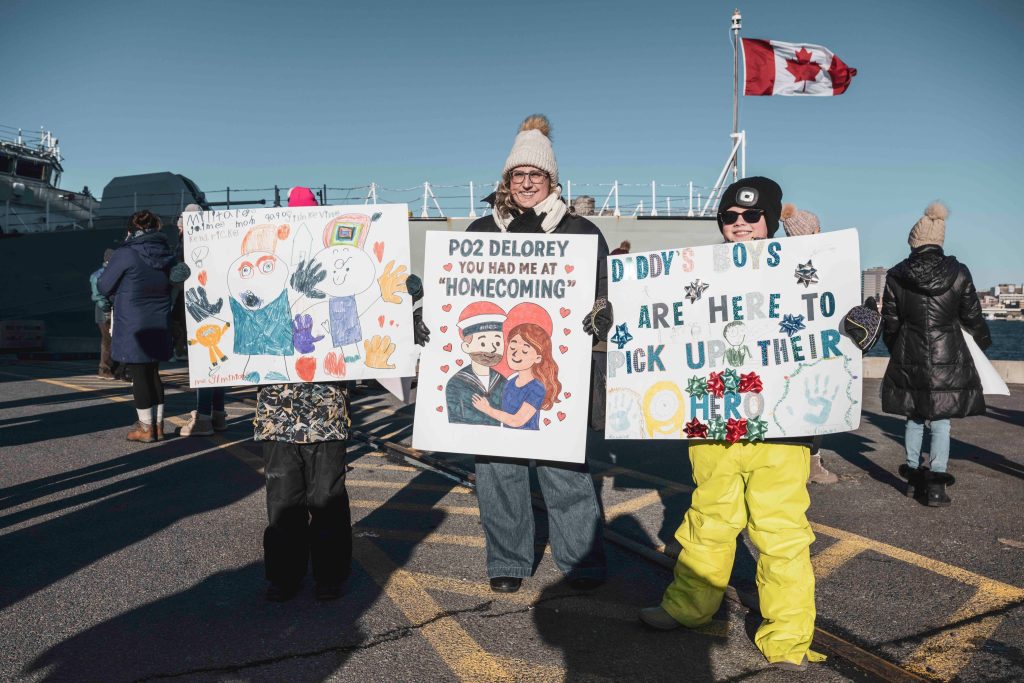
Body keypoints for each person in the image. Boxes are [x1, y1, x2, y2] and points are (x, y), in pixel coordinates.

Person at [639, 177, 819, 671]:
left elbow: (832, 323)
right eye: (729, 216)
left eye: (752, 216)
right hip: (714, 420)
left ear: (771, 221)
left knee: (781, 533)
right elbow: (658, 325)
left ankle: (788, 635)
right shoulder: (695, 274)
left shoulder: (806, 270)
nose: (740, 224)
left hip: (781, 426)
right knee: (708, 520)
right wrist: (618, 320)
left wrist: (858, 324)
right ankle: (688, 607)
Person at [460, 114, 611, 594]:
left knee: (564, 469)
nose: (526, 183)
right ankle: (507, 559)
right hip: (495, 369)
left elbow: (605, 288)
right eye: (518, 175)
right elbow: (456, 293)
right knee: (497, 470)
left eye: (536, 175)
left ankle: (580, 559)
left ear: (552, 180)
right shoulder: (480, 231)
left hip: (556, 366)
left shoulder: (581, 231)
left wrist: (603, 309)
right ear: (507, 180)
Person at [256, 187, 352, 602]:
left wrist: (404, 298)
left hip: (318, 410)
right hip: (284, 412)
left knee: (323, 498)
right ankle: (288, 575)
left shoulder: (341, 281)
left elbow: (363, 332)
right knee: (286, 499)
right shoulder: (265, 281)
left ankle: (322, 575)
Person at [882, 202, 991, 507]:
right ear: (940, 240)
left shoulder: (896, 275)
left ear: (913, 241)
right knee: (941, 420)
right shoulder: (959, 273)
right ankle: (937, 486)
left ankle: (913, 478)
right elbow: (972, 316)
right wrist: (982, 344)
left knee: (914, 417)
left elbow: (891, 322)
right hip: (948, 353)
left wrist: (897, 349)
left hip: (910, 351)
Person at [98, 210, 183, 442]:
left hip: (133, 323)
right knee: (153, 372)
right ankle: (158, 427)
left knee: (139, 375)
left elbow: (104, 286)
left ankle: (146, 429)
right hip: (160, 320)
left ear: (130, 231)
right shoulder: (167, 253)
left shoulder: (126, 254)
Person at [780, 203, 839, 485]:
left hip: (790, 342)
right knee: (813, 403)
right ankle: (811, 463)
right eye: (817, 229)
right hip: (808, 343)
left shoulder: (779, 261)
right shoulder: (814, 264)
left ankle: (802, 462)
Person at [173, 203, 230, 437]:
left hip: (196, 310)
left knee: (203, 365)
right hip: (219, 307)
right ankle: (218, 413)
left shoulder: (187, 246)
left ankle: (204, 417)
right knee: (217, 364)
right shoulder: (220, 244)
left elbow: (178, 277)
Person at [472, 322, 561, 430]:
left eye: (524, 351)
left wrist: (487, 409)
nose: (515, 354)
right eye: (512, 347)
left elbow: (517, 421)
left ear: (538, 358)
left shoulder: (537, 388)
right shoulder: (509, 383)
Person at [90, 248, 120, 380]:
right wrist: (107, 309)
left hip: (109, 310)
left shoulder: (99, 274)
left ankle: (113, 369)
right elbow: (98, 296)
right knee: (108, 340)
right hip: (105, 311)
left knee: (111, 340)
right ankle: (105, 369)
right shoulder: (101, 274)